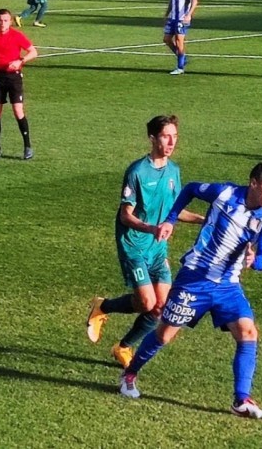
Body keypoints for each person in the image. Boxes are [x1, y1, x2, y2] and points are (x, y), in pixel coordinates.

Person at [118, 162, 262, 420]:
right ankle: (129, 374)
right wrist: (171, 219)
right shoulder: (224, 193)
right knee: (164, 335)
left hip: (228, 285)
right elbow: (191, 189)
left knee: (248, 332)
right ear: (253, 183)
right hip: (195, 279)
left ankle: (241, 399)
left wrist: (255, 261)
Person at [86, 115, 205, 366]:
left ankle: (123, 347)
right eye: (165, 136)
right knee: (146, 302)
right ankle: (103, 306)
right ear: (152, 138)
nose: (172, 141)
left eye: (175, 136)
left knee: (161, 306)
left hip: (157, 246)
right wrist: (152, 228)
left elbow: (174, 211)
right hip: (134, 244)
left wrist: (203, 220)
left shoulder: (174, 171)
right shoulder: (137, 172)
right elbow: (125, 216)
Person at [0, 9, 38, 160]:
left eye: (5, 20)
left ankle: (27, 146)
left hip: (13, 78)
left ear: (10, 22)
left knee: (18, 111)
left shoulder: (17, 36)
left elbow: (33, 52)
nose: (2, 23)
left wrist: (21, 61)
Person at [163, 0, 198, 75]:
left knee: (179, 41)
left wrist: (189, 15)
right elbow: (172, 0)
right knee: (167, 40)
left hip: (182, 18)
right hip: (172, 17)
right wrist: (167, 13)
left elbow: (194, 0)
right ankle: (183, 58)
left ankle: (180, 67)